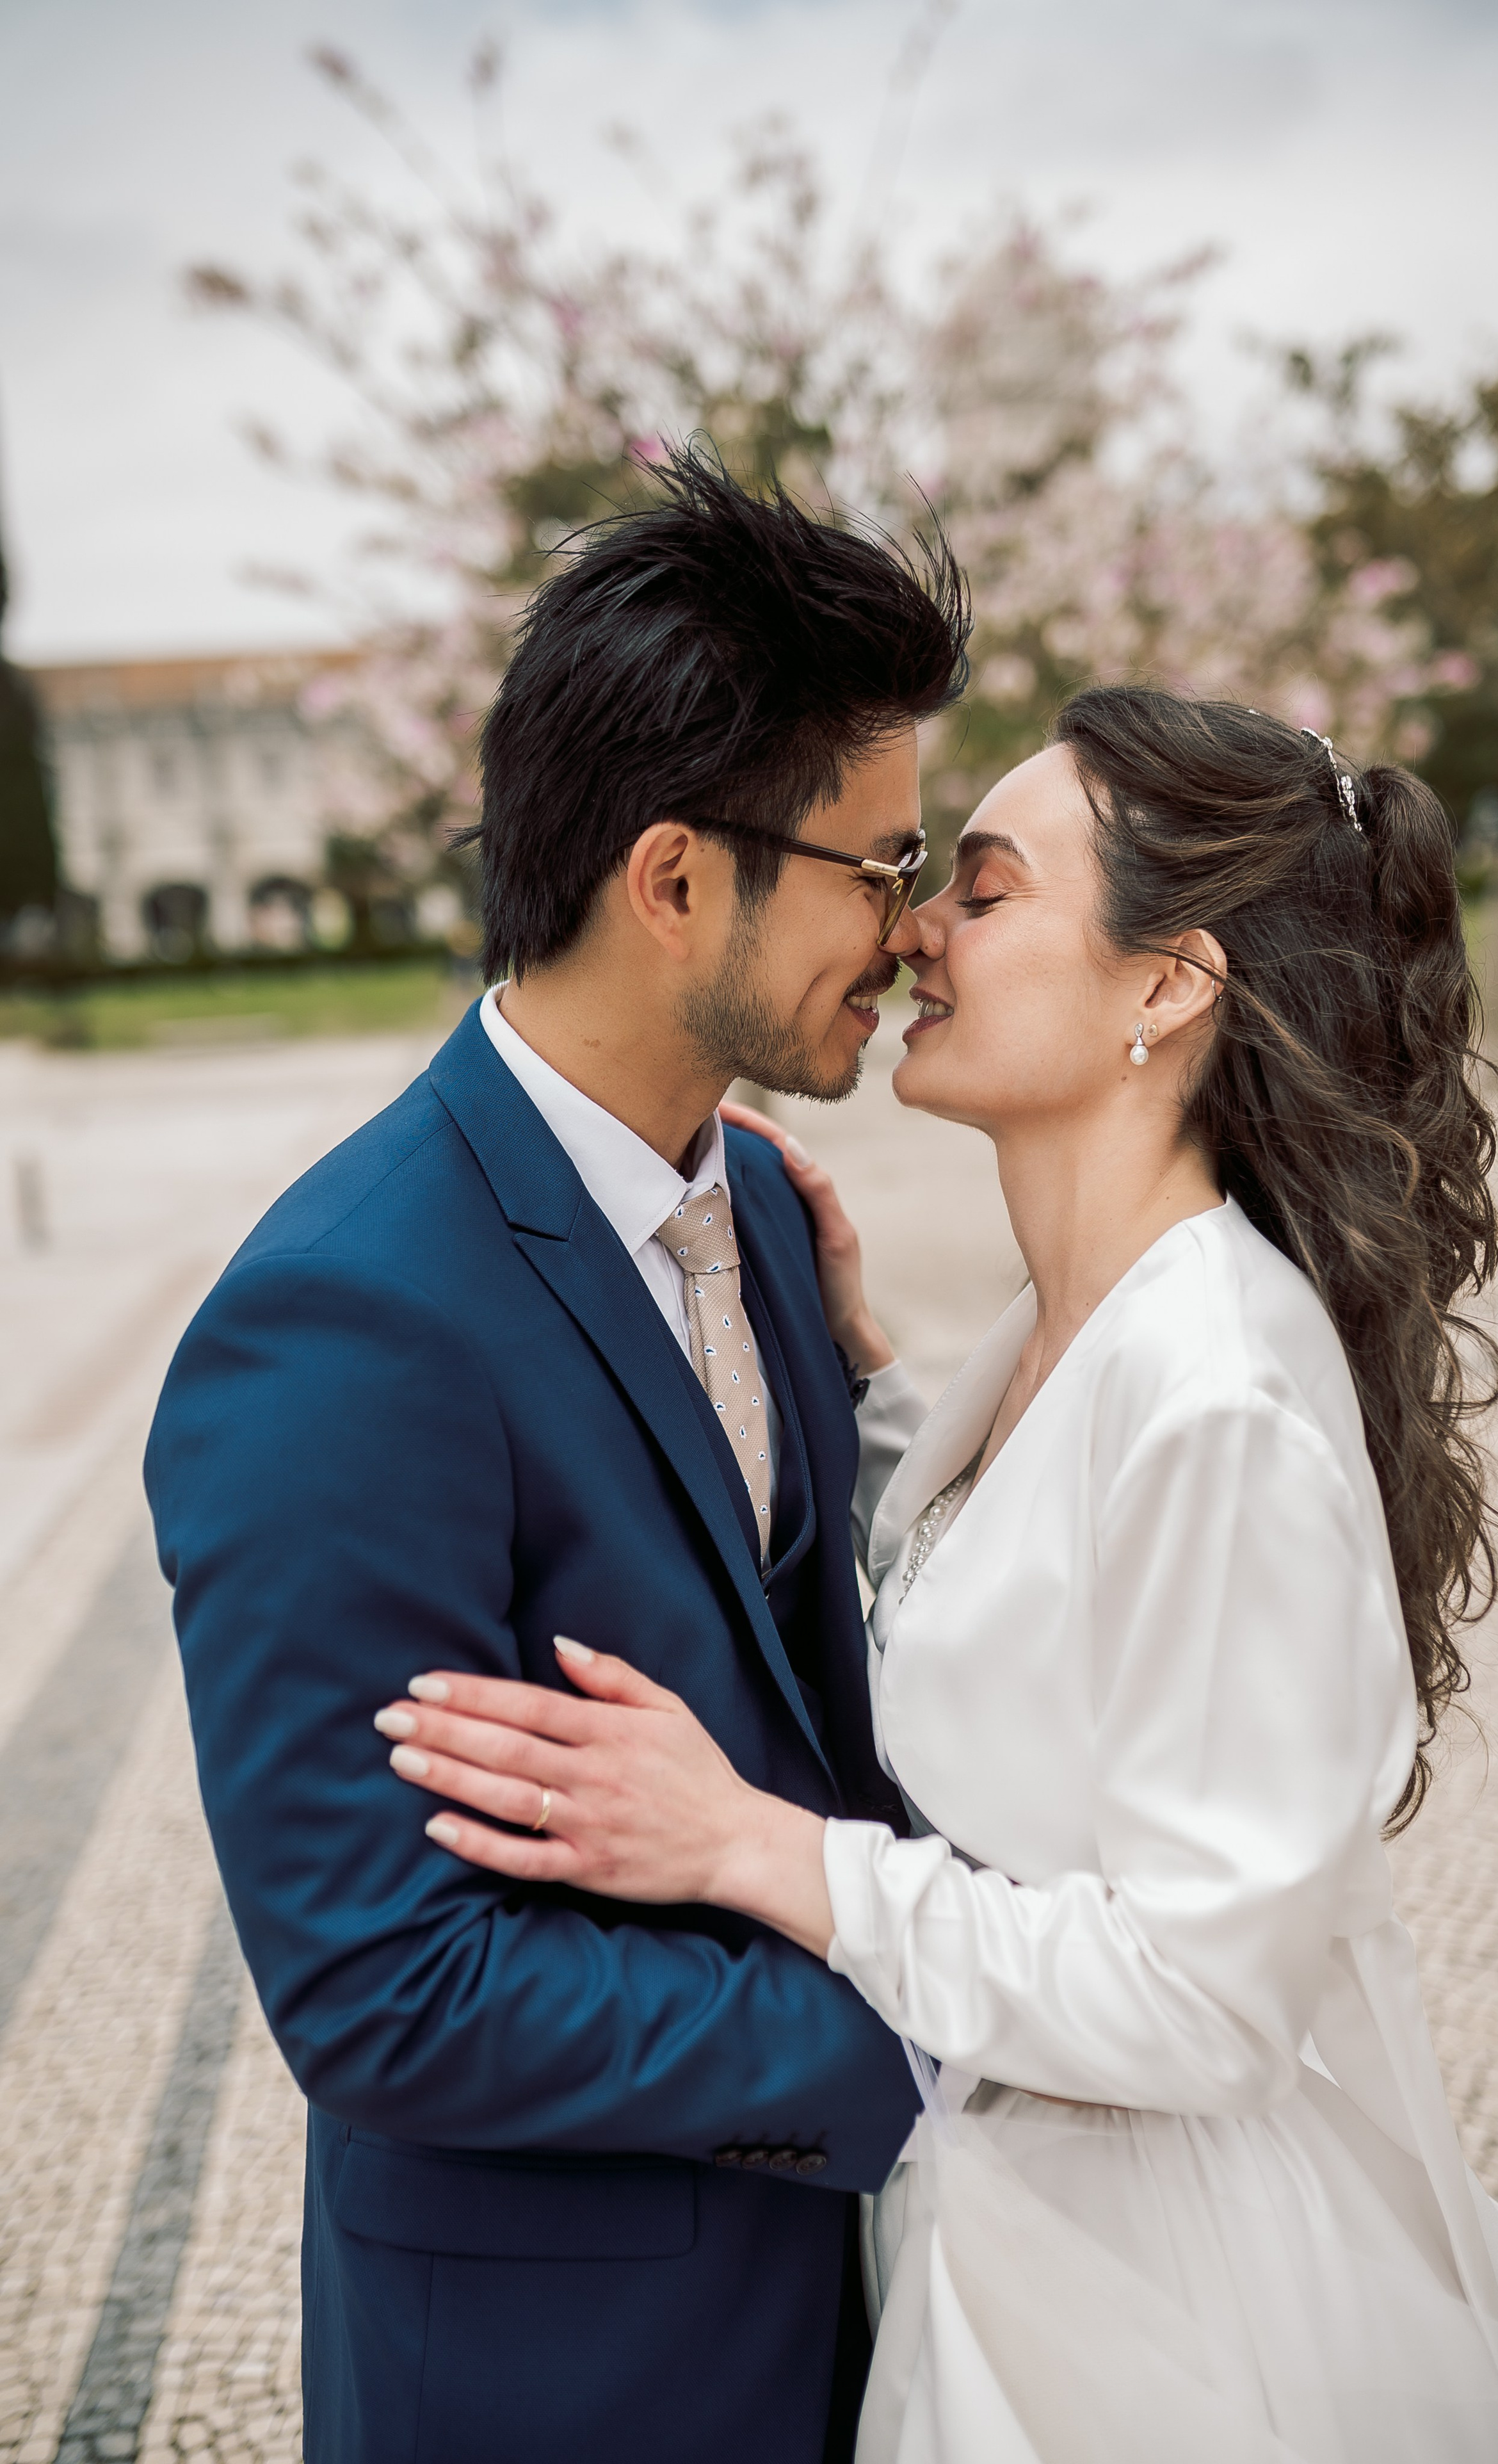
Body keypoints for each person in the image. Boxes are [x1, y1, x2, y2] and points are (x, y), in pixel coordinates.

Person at [379, 688, 1498, 2462]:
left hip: (1171, 2305)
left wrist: (763, 1853)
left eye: (980, 887)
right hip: (1012, 2232)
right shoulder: (1073, 1334)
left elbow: (1208, 2001)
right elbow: (1043, 1592)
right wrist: (864, 1385)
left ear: (1164, 985)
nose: (913, 934)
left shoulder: (1218, 1392)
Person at [144, 448, 971, 2464]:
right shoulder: (343, 1323)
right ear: (677, 876)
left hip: (853, 2325)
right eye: (880, 857)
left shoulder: (765, 1207)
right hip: (562, 2379)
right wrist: (941, 2034)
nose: (915, 918)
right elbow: (383, 1987)